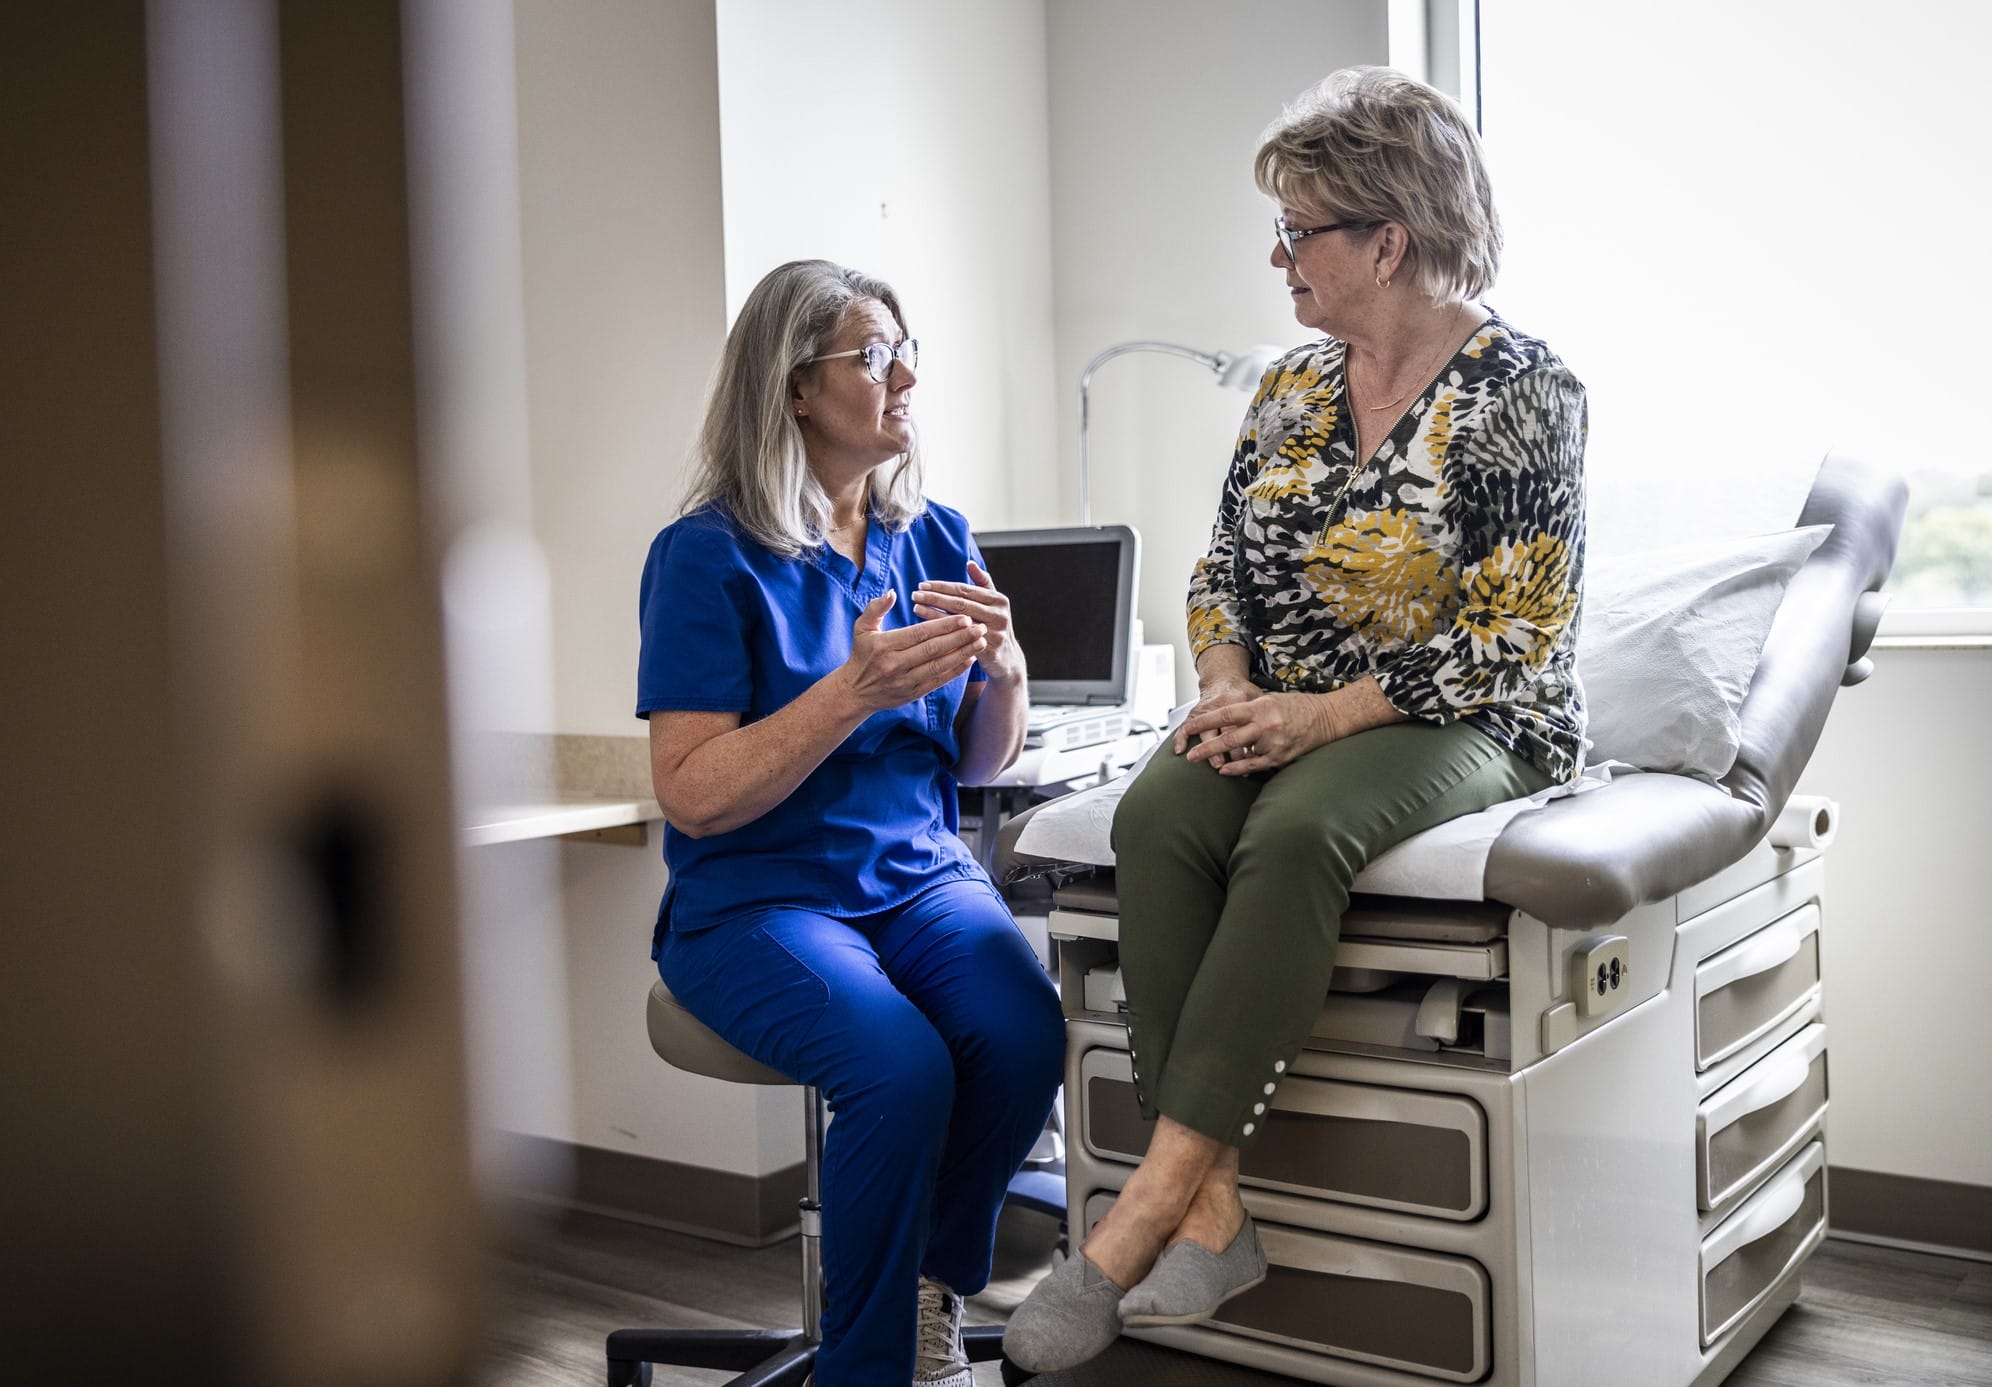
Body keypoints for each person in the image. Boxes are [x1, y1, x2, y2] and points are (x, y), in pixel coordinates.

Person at [1005, 66, 1587, 1371]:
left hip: (1469, 712)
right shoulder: (1285, 388)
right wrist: (1219, 688)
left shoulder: (1521, 389)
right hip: (1278, 700)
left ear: (1385, 237)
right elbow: (1219, 565)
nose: (1277, 258)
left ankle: (1144, 1209)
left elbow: (1512, 631)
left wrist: (1315, 721)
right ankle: (1216, 1213)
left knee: (1293, 830)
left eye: (1297, 230)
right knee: (1158, 811)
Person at [638, 259, 1064, 1387]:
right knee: (901, 1067)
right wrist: (847, 694)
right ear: (792, 390)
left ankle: (926, 1294)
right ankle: (871, 1372)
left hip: (918, 878)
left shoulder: (933, 533)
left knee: (1026, 1032)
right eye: (874, 356)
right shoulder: (706, 556)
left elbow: (976, 761)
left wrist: (1007, 674)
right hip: (760, 900)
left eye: (906, 347)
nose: (907, 375)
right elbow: (690, 789)